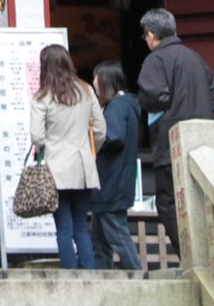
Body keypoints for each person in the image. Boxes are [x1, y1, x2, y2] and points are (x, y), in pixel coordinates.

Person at [136, 6, 214, 259]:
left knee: (168, 202)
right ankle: (207, 256)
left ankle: (189, 256)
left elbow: (154, 97)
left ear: (151, 35)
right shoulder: (196, 58)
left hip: (170, 145)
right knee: (199, 202)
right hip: (204, 145)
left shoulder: (155, 60)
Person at [29, 43, 107, 271]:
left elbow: (37, 136)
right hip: (84, 167)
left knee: (64, 227)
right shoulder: (86, 90)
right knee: (81, 226)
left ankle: (70, 277)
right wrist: (90, 153)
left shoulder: (43, 97)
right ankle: (89, 275)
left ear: (45, 66)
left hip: (57, 169)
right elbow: (101, 129)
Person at [92, 61, 142, 271]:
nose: (93, 83)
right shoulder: (127, 104)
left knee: (116, 234)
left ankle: (138, 277)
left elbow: (113, 137)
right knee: (100, 239)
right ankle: (101, 281)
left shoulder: (117, 106)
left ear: (105, 80)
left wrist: (91, 136)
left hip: (112, 181)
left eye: (96, 77)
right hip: (116, 180)